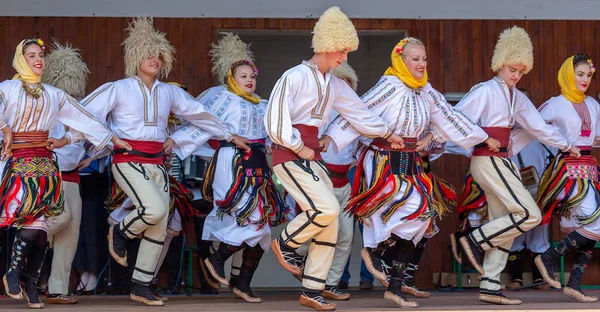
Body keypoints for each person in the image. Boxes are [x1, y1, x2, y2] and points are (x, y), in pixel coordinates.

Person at [81, 16, 246, 306]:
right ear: (135, 57)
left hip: (157, 162)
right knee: (154, 209)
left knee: (160, 224)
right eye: (148, 54)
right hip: (128, 160)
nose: (154, 59)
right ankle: (120, 231)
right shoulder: (118, 88)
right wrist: (108, 139)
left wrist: (229, 136)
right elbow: (84, 114)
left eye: (158, 54)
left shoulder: (169, 91)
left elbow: (199, 114)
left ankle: (141, 285)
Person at [327, 37, 492, 308]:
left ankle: (393, 283)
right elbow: (358, 113)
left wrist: (477, 137)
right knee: (401, 214)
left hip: (411, 162)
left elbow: (450, 117)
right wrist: (331, 137)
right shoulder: (389, 86)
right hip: (383, 161)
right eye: (415, 59)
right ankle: (376, 252)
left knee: (422, 220)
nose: (421, 64)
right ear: (401, 61)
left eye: (424, 59)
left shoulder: (425, 90)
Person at [265, 6, 404, 311]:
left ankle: (312, 291)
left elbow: (359, 115)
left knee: (328, 226)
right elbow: (274, 119)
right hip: (289, 155)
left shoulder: (336, 85)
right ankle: (285, 244)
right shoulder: (295, 76)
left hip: (312, 157)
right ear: (327, 46)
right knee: (326, 208)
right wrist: (297, 145)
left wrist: (387, 133)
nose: (345, 56)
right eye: (342, 50)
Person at [451, 26, 579, 305]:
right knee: (527, 214)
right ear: (500, 64)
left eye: (521, 71)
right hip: (487, 160)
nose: (516, 75)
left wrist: (565, 145)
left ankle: (490, 283)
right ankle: (474, 240)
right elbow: (455, 118)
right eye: (512, 68)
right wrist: (481, 137)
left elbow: (537, 127)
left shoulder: (517, 97)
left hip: (502, 160)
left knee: (506, 220)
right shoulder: (484, 91)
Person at [0, 38, 126, 309]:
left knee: (43, 226)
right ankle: (14, 271)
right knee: (36, 222)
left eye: (41, 54)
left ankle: (31, 283)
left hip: (45, 164)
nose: (38, 59)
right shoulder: (8, 89)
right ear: (21, 59)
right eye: (31, 54)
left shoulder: (53, 94)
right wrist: (3, 127)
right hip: (16, 160)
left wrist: (110, 140)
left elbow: (84, 119)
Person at [532, 53, 600, 303]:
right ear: (568, 74)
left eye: (589, 75)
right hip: (567, 173)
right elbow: (534, 125)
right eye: (580, 74)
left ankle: (573, 284)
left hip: (589, 170)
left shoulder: (593, 104)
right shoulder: (555, 103)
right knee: (596, 223)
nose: (585, 79)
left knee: (588, 229)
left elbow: (594, 137)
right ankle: (547, 258)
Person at [39, 41, 90, 304]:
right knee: (62, 219)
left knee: (70, 235)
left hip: (73, 177)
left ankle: (57, 288)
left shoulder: (81, 109)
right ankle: (22, 247)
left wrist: (91, 156)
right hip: (50, 175)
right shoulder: (45, 106)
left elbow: (92, 138)